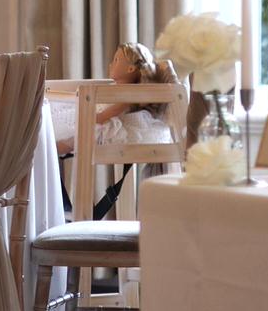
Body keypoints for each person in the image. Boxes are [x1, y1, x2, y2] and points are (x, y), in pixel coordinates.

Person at [56, 43, 177, 219]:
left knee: (52, 147)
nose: (111, 64)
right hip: (94, 120)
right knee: (50, 144)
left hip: (101, 126)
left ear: (130, 68)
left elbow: (104, 116)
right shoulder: (114, 89)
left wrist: (86, 117)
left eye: (116, 59)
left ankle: (64, 206)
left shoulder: (128, 94)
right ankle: (63, 205)